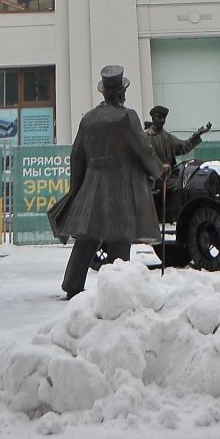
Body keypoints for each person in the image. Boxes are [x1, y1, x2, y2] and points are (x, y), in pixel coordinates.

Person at [48, 65, 164, 298]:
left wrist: (76, 189)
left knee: (88, 236)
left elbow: (77, 156)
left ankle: (72, 284)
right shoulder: (126, 117)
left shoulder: (89, 119)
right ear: (121, 93)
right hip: (120, 190)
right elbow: (144, 149)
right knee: (120, 236)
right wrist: (159, 171)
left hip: (92, 188)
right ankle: (117, 289)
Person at [144, 105, 211, 169]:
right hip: (152, 179)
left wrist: (199, 133)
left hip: (169, 176)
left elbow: (184, 146)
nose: (161, 120)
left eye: (163, 118)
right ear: (153, 118)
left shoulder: (168, 137)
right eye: (159, 117)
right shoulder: (145, 138)